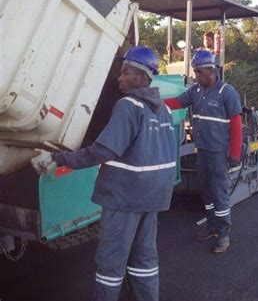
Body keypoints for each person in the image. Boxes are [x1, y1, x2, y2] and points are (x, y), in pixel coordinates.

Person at [31, 46, 177, 301]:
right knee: (144, 258)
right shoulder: (162, 109)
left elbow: (101, 152)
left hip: (125, 196)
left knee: (110, 261)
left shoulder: (128, 106)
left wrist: (57, 158)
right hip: (153, 196)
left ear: (141, 77)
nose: (119, 78)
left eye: (125, 73)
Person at [164, 49, 242, 254]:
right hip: (203, 151)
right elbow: (177, 102)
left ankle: (224, 235)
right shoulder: (196, 91)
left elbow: (236, 124)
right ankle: (212, 227)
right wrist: (152, 102)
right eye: (195, 72)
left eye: (199, 73)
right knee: (206, 192)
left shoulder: (227, 92)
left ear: (211, 70)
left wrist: (234, 153)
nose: (196, 76)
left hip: (218, 153)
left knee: (219, 193)